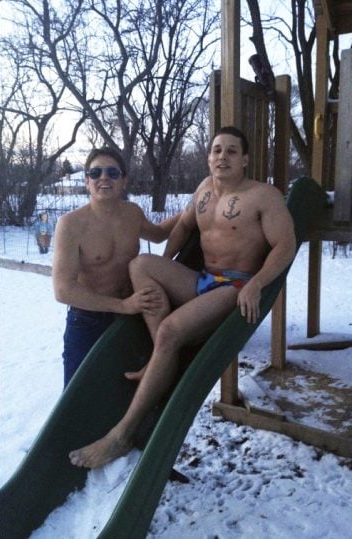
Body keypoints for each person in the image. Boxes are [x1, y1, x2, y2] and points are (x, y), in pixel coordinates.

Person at [69, 126, 296, 468]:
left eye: (232, 151)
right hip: (203, 280)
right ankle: (163, 355)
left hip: (234, 287)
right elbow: (184, 227)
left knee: (171, 331)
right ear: (208, 157)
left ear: (245, 159)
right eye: (217, 150)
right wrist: (166, 265)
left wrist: (257, 284)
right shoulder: (204, 191)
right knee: (141, 265)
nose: (223, 156)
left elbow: (286, 245)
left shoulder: (264, 196)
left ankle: (122, 434)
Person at [52, 147, 180, 387]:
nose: (104, 178)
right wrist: (122, 305)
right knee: (79, 395)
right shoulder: (70, 225)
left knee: (128, 389)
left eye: (112, 172)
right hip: (88, 322)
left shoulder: (132, 213)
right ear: (87, 181)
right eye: (96, 172)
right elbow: (63, 290)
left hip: (132, 319)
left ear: (123, 181)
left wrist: (193, 209)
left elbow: (160, 234)